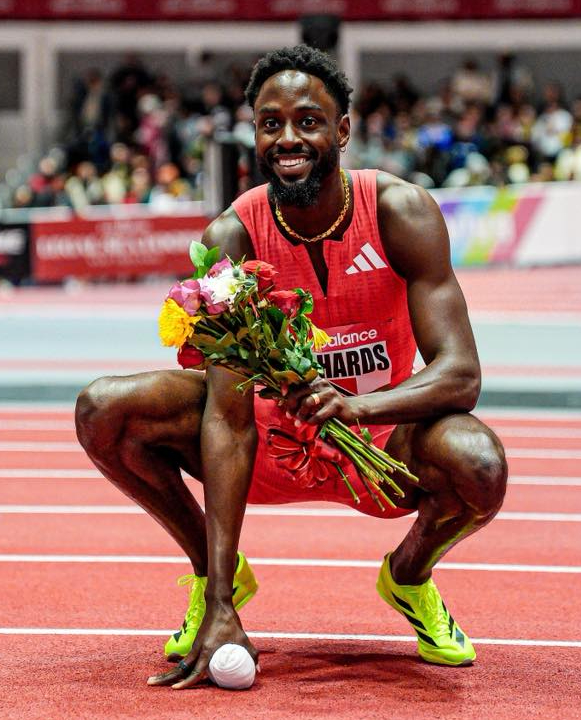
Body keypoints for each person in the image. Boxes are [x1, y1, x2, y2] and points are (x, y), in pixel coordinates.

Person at [75, 45, 507, 689]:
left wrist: (357, 406)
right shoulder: (232, 236)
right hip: (266, 440)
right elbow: (226, 415)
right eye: (269, 122)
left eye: (307, 120)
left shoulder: (400, 211)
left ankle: (409, 579)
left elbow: (460, 374)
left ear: (342, 130)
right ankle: (214, 577)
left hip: (379, 443)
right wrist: (219, 598)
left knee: (480, 465)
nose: (287, 137)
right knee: (104, 409)